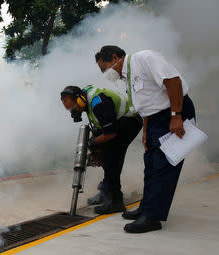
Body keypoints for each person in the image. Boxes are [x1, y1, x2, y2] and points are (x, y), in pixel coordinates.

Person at [95, 45, 196, 233]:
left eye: (104, 68)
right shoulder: (128, 77)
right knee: (150, 164)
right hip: (154, 120)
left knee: (163, 166)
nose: (105, 73)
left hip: (172, 113)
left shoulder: (144, 59)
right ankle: (146, 208)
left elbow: (173, 82)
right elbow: (145, 105)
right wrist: (145, 133)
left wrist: (176, 116)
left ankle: (152, 217)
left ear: (115, 57)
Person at [60, 85, 142, 214]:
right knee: (105, 156)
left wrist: (93, 143)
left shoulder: (98, 103)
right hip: (118, 123)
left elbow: (110, 134)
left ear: (80, 99)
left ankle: (115, 202)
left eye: (74, 107)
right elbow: (100, 127)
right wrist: (96, 147)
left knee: (112, 158)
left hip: (130, 122)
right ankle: (106, 191)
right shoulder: (86, 100)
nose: (74, 111)